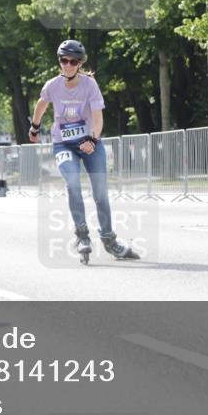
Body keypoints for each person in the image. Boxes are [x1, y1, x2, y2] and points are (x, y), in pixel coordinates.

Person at [28, 39, 138, 262]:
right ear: (59, 61)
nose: (67, 65)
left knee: (100, 194)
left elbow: (98, 119)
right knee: (73, 183)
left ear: (80, 64)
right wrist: (35, 126)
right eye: (63, 60)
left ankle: (110, 240)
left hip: (90, 142)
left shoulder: (90, 85)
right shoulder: (52, 85)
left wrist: (93, 138)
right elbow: (41, 103)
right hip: (63, 143)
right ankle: (82, 236)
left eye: (73, 61)